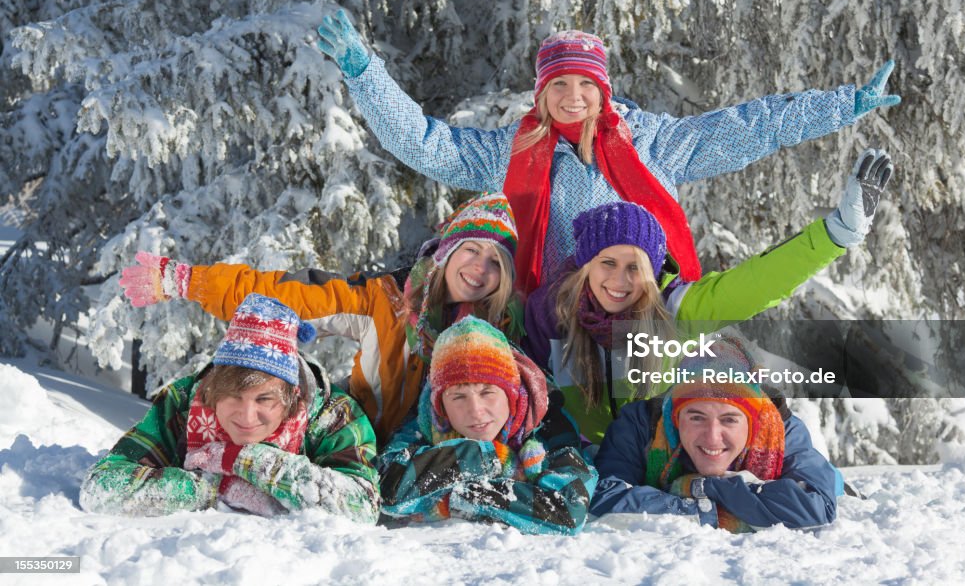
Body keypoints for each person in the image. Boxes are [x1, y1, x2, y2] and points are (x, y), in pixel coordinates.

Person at [317, 11, 901, 293]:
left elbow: (753, 125)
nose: (573, 98)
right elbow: (426, 144)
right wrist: (365, 73)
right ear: (542, 93)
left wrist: (843, 105)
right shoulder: (511, 152)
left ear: (603, 90)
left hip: (647, 307)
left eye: (585, 86)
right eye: (559, 86)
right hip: (549, 317)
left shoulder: (656, 145)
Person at [523, 148, 894, 443]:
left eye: (635, 266)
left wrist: (835, 234)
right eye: (608, 263)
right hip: (581, 472)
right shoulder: (550, 315)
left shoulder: (674, 310)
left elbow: (755, 283)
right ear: (586, 265)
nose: (620, 280)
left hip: (659, 465)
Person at [117, 193, 521, 443]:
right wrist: (189, 280)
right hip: (364, 442)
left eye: (495, 262)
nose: (480, 269)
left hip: (439, 453)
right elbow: (290, 294)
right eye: (471, 250)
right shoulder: (383, 301)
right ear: (446, 253)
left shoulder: (501, 331)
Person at [80, 293, 380, 520]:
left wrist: (248, 461)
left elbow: (364, 506)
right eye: (233, 397)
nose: (247, 417)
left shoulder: (333, 415)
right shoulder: (183, 401)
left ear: (291, 398)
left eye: (264, 400)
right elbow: (100, 487)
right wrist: (210, 488)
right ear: (213, 391)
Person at [377, 315, 597, 534]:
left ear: (512, 395)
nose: (476, 410)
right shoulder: (427, 421)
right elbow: (390, 490)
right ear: (441, 405)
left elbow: (568, 510)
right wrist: (488, 457)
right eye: (458, 397)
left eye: (487, 392)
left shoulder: (547, 423)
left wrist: (459, 498)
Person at [590, 337, 837, 532]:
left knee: (834, 482)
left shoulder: (781, 430)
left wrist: (709, 486)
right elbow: (604, 495)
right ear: (675, 417)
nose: (712, 437)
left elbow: (816, 509)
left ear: (753, 423)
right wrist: (700, 509)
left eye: (729, 419)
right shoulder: (641, 424)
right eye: (696, 417)